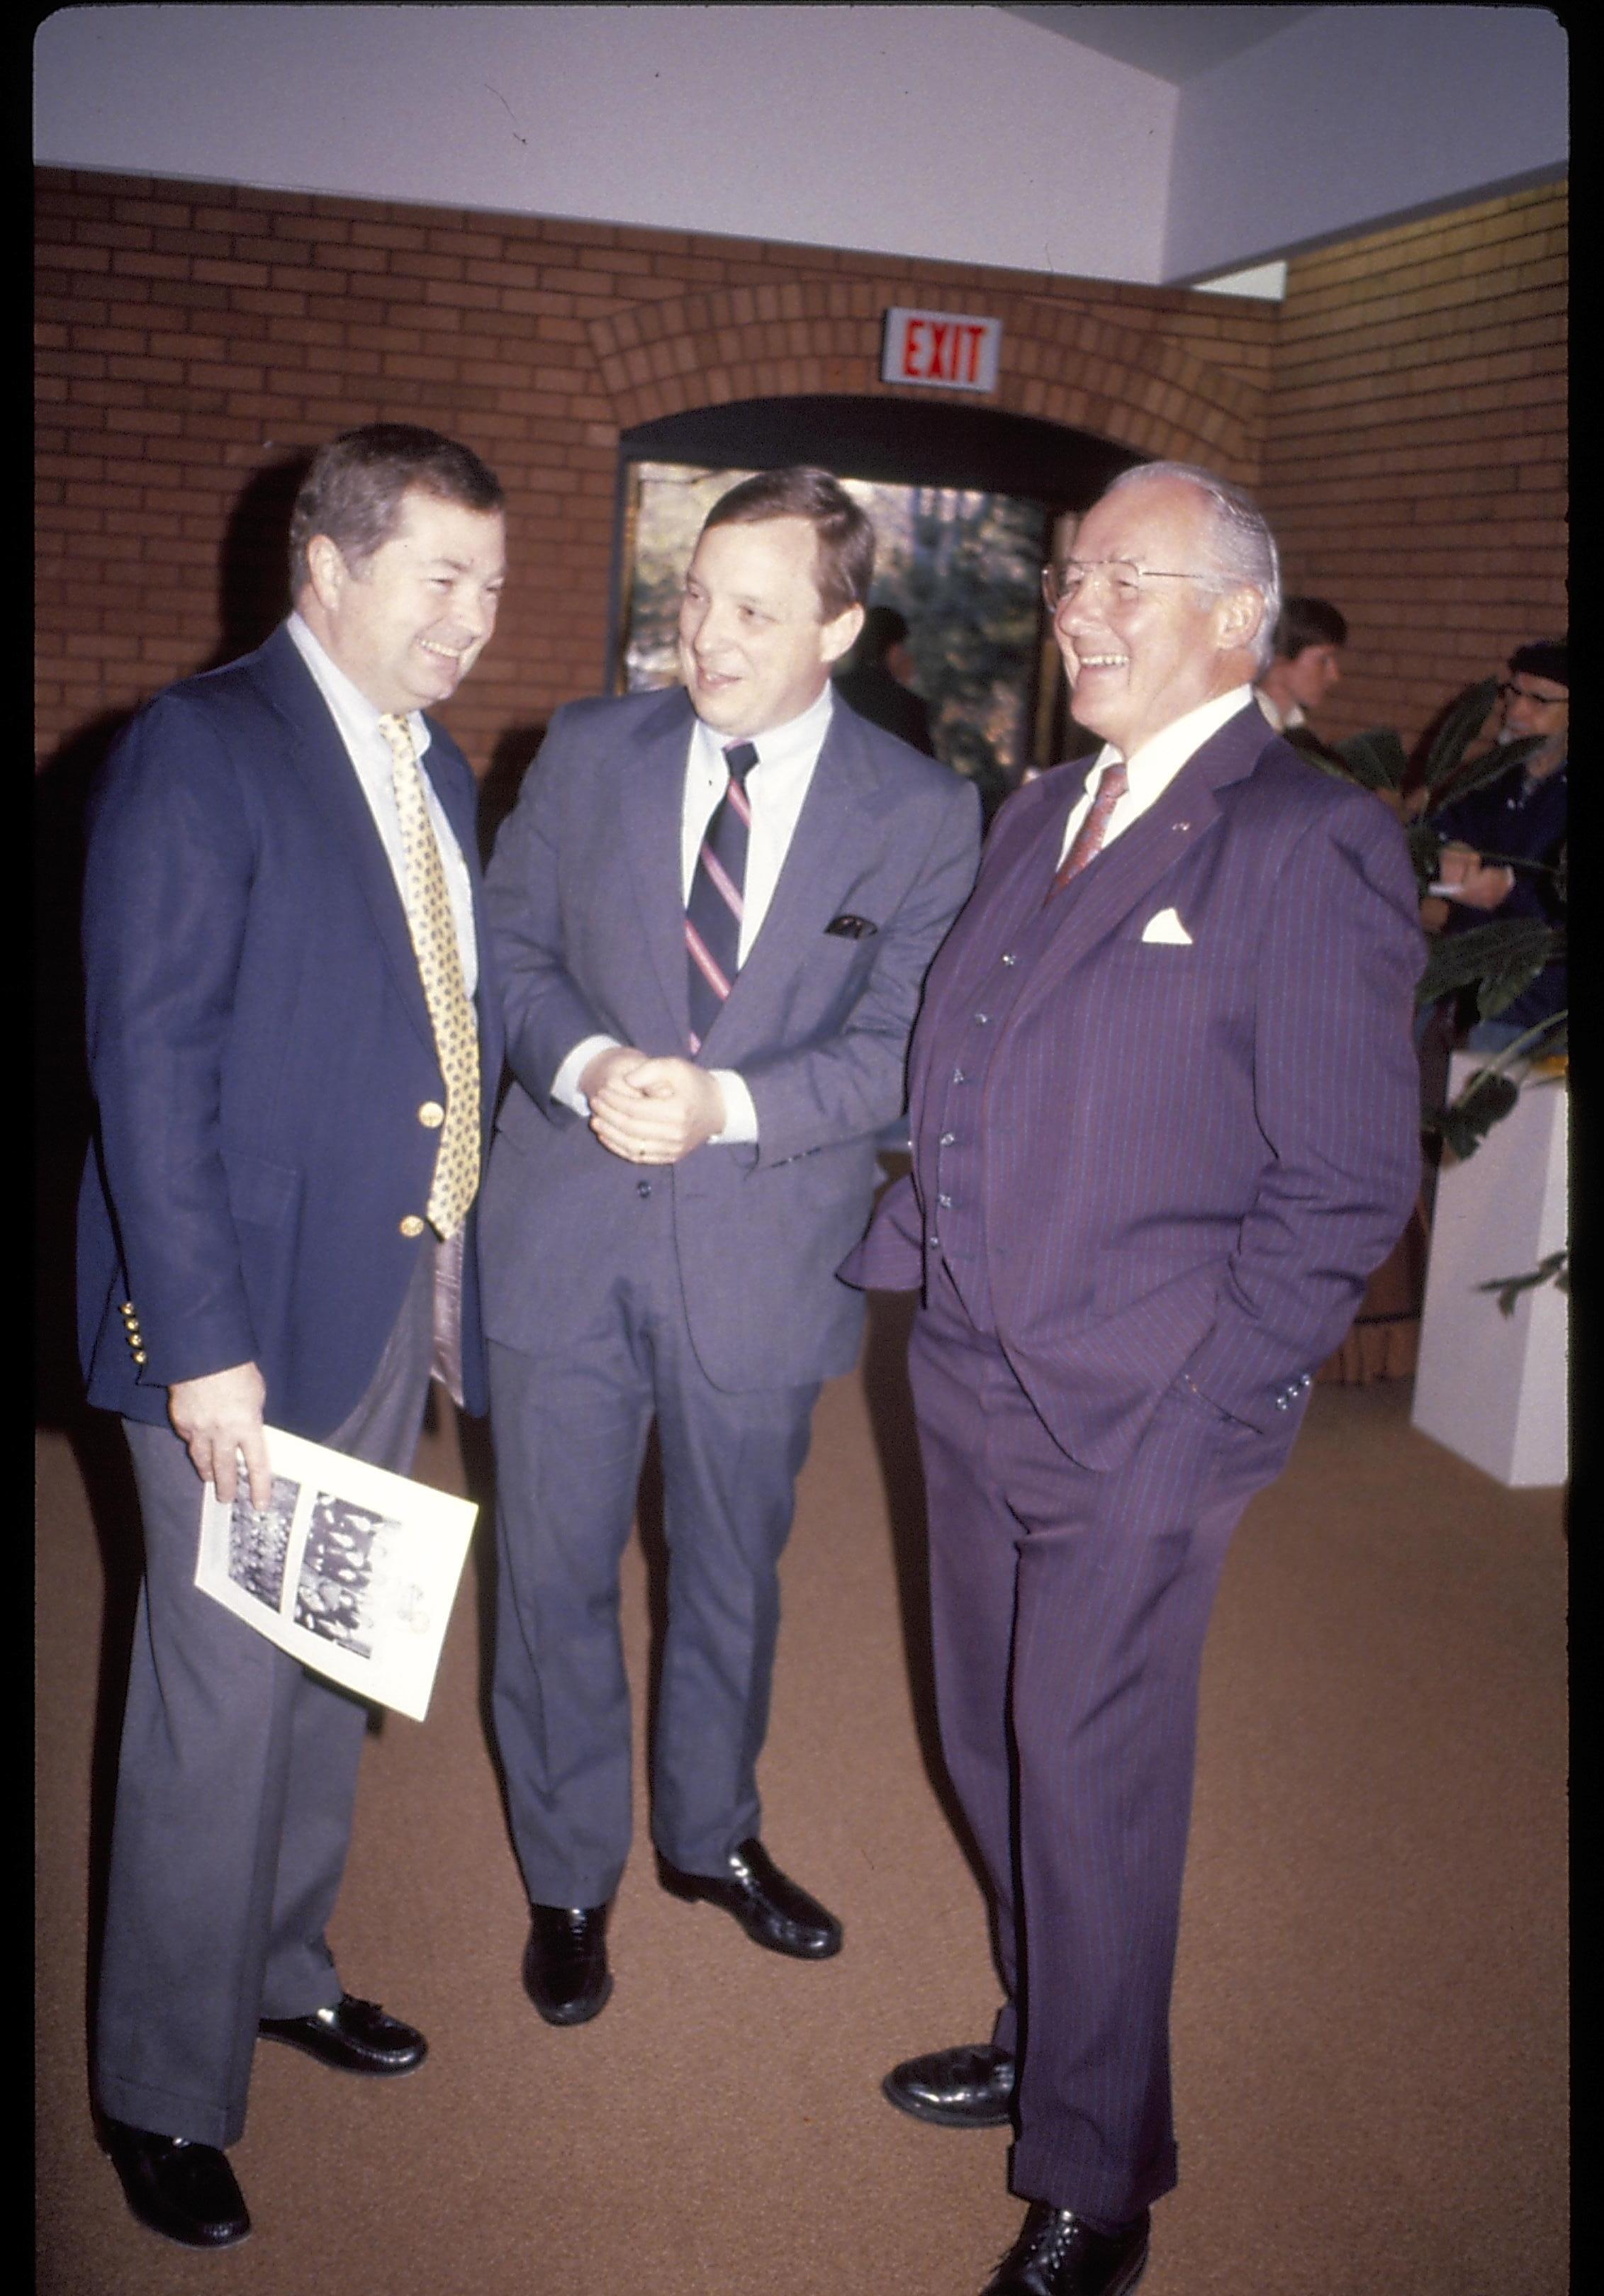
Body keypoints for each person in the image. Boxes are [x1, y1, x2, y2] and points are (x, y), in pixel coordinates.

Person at [841, 462, 1423, 2296]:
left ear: (1237, 621)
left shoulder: (1303, 838)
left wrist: (1209, 1406)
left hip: (1142, 1410)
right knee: (984, 1739)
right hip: (971, 1363)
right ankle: (1046, 2025)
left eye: (1123, 579)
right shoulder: (1047, 810)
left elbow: (1347, 1177)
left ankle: (1101, 2175)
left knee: (1088, 1779)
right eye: (1073, 574)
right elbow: (974, 1057)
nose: (1077, 606)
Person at [77, 424, 507, 2249]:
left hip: (382, 1286)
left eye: (492, 582)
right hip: (237, 1326)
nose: (476, 619)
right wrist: (201, 1345)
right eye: (443, 577)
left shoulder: (443, 775)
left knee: (328, 1657)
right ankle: (160, 2085)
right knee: (216, 1697)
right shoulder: (204, 746)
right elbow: (147, 1064)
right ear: (325, 568)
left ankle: (280, 1960)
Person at [478, 466, 980, 2027]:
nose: (703, 636)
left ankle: (708, 1836)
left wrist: (728, 1102)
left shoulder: (923, 810)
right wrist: (581, 1066)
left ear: (841, 624)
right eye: (695, 595)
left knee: (729, 1578)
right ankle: (570, 1878)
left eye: (754, 609)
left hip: (764, 1257)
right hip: (562, 1224)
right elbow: (508, 948)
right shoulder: (587, 745)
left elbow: (910, 1045)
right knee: (548, 1575)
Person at [1423, 638, 1567, 1050]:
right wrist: (1451, 845)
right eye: (1514, 694)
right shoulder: (1493, 776)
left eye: (1540, 700)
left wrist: (1511, 889)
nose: (1517, 712)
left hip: (1534, 1010)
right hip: (1460, 990)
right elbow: (1431, 830)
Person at [834, 600, 936, 754]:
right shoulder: (908, 709)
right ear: (893, 650)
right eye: (904, 648)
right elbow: (922, 772)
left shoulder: (830, 693)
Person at [1255, 593, 1347, 732]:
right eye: (1323, 660)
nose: (1334, 676)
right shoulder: (1247, 736)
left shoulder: (1296, 734)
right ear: (1279, 659)